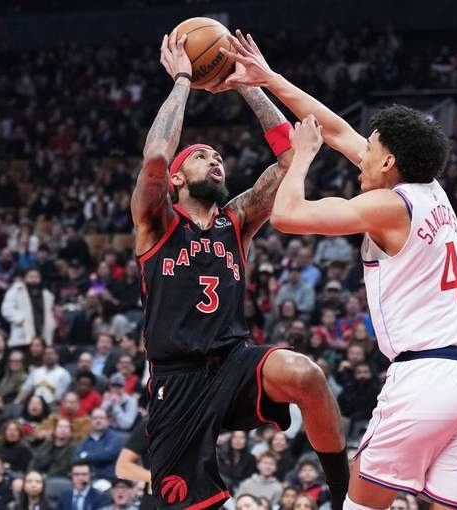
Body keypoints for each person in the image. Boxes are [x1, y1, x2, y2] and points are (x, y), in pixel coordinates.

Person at [219, 29, 457, 509]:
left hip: (426, 377)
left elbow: (287, 216)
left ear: (388, 161)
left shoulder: (389, 207)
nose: (360, 156)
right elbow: (336, 130)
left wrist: (301, 157)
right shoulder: (431, 189)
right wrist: (268, 79)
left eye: (369, 150)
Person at [132, 31, 347, 509]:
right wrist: (183, 79)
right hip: (177, 380)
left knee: (306, 374)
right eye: (202, 156)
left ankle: (344, 498)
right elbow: (156, 157)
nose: (215, 160)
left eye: (218, 157)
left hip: (234, 361)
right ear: (177, 179)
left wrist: (250, 83)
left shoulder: (236, 221)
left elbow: (290, 160)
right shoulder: (156, 221)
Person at [1, 268, 56, 348]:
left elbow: (50, 312)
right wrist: (21, 319)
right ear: (25, 278)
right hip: (22, 332)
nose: (34, 280)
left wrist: (52, 322)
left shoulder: (47, 294)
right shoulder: (16, 291)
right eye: (31, 277)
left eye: (36, 277)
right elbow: (6, 309)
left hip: (42, 331)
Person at [71, 408, 125, 481]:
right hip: (88, 478)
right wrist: (94, 455)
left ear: (107, 421)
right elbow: (75, 457)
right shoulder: (87, 439)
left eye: (101, 418)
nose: (98, 420)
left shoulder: (116, 438)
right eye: (95, 418)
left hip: (108, 478)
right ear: (91, 421)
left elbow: (106, 455)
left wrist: (86, 455)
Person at [115, 420, 155, 510]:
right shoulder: (149, 425)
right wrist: (159, 479)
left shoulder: (188, 427)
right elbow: (122, 467)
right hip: (154, 497)